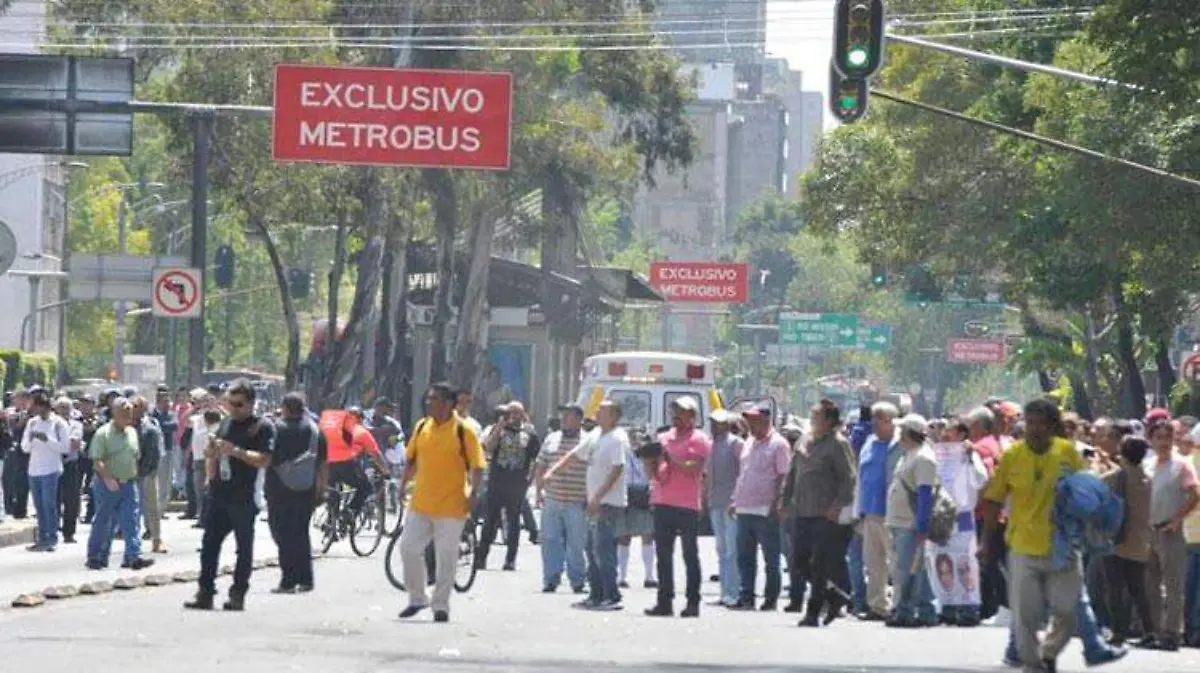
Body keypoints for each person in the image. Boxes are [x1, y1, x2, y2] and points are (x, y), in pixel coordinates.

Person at [980, 399, 1087, 673]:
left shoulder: (1068, 453)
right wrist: (985, 542)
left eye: (1041, 423)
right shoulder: (1013, 455)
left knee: (1066, 612)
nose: (1035, 429)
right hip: (1023, 546)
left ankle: (1048, 652)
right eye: (1030, 423)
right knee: (1026, 615)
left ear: (1053, 426)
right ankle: (1033, 665)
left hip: (1062, 546)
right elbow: (994, 499)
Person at [398, 382, 486, 623]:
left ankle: (441, 605)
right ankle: (417, 598)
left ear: (448, 404)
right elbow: (411, 460)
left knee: (446, 557)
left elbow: (478, 465)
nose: (429, 403)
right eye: (428, 399)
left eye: (434, 399)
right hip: (421, 502)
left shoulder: (463, 430)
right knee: (408, 549)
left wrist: (474, 494)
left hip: (452, 505)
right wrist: (403, 484)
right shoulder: (421, 427)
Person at [185, 379, 274, 612]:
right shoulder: (226, 424)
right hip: (219, 493)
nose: (234, 408)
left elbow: (265, 459)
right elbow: (212, 453)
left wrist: (236, 451)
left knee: (243, 548)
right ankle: (205, 592)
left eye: (239, 404)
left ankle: (238, 593)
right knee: (209, 545)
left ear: (251, 403)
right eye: (230, 403)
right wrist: (211, 453)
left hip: (244, 496)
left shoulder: (262, 427)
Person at [785, 399, 856, 627]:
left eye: (817, 416)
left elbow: (849, 479)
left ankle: (813, 612)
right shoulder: (805, 441)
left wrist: (837, 506)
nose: (813, 420)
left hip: (825, 514)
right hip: (802, 510)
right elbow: (792, 472)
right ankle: (834, 595)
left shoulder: (838, 444)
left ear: (829, 420)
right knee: (798, 561)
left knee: (819, 564)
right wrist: (784, 500)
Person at [645, 397, 711, 618]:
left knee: (689, 555)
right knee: (663, 556)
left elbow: (694, 469)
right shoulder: (664, 437)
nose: (676, 416)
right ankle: (664, 601)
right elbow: (655, 472)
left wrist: (670, 457)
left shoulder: (699, 439)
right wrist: (650, 461)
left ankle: (693, 602)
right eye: (674, 411)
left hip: (687, 505)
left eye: (682, 412)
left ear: (692, 416)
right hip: (663, 501)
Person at [1143, 416, 1200, 650]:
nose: (1164, 441)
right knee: (1150, 584)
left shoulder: (1182, 465)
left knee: (1173, 585)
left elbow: (1195, 495)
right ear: (1151, 440)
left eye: (1168, 437)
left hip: (1171, 531)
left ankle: (1172, 634)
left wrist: (1177, 520)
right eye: (1159, 437)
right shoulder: (1148, 465)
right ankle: (1155, 631)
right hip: (1149, 532)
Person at [730, 404, 791, 611]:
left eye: (754, 420)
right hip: (744, 507)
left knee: (770, 558)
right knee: (745, 557)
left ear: (766, 420)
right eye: (749, 420)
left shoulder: (779, 444)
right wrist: (734, 500)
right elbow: (743, 474)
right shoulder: (748, 442)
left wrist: (777, 504)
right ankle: (746, 596)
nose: (751, 424)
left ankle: (770, 598)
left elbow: (783, 476)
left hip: (766, 508)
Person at [266, 392, 327, 594]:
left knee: (282, 534)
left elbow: (267, 458)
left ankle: (288, 580)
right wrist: (322, 489)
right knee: (301, 533)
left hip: (279, 490)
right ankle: (306, 579)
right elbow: (323, 464)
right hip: (306, 489)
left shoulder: (276, 429)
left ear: (285, 408)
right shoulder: (315, 431)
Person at [85, 397, 154, 570]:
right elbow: (97, 460)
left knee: (131, 520)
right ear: (114, 413)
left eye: (129, 414)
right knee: (105, 521)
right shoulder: (103, 433)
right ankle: (97, 556)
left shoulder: (132, 432)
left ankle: (133, 556)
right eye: (123, 414)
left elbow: (134, 455)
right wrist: (108, 478)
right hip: (107, 484)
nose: (127, 417)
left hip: (129, 483)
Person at [1101, 435, 1154, 647]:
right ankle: (1149, 630)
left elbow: (1097, 487)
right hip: (1140, 541)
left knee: (1114, 589)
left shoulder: (1115, 477)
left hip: (1116, 540)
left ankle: (1118, 631)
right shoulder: (1147, 480)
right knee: (1137, 588)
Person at [576, 400, 627, 610]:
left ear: (614, 416)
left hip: (608, 503)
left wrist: (598, 496)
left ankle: (611, 595)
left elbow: (618, 468)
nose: (597, 412)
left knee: (604, 549)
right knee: (591, 547)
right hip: (592, 501)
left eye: (603, 410)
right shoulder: (596, 434)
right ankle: (596, 593)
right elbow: (579, 454)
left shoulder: (617, 438)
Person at [535, 404, 592, 594]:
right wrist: (538, 491)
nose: (564, 419)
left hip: (577, 501)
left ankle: (577, 580)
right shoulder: (552, 438)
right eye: (563, 416)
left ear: (578, 419)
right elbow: (541, 464)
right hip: (552, 498)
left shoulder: (587, 440)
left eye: (568, 416)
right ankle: (551, 579)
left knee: (576, 543)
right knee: (550, 540)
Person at [477, 401, 540, 571]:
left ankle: (510, 559)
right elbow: (488, 448)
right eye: (510, 412)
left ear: (523, 414)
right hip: (497, 482)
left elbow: (536, 459)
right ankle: (481, 557)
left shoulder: (529, 433)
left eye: (517, 413)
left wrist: (530, 480)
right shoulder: (498, 429)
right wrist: (499, 426)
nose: (513, 416)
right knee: (489, 521)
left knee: (513, 522)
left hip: (517, 483)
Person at [22, 392, 71, 551]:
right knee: (39, 506)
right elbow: (25, 448)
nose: (39, 411)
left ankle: (52, 538)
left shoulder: (59, 423)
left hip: (51, 469)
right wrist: (30, 439)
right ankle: (41, 538)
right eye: (37, 407)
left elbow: (65, 447)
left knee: (49, 504)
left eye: (42, 407)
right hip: (34, 470)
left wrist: (47, 440)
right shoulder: (31, 423)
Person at [323, 407, 388, 524]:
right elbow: (375, 454)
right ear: (360, 419)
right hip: (346, 464)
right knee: (365, 488)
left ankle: (331, 521)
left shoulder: (334, 428)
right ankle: (349, 511)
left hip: (327, 464)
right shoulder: (361, 431)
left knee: (334, 490)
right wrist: (385, 471)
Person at [706, 408, 744, 607]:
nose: (714, 425)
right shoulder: (710, 445)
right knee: (721, 549)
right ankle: (724, 592)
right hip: (715, 503)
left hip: (731, 504)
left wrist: (736, 499)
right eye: (712, 421)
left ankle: (734, 592)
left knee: (732, 550)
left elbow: (743, 473)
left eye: (718, 422)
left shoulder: (736, 443)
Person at [132, 396, 168, 554]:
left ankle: (156, 539)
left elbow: (155, 455)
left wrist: (143, 472)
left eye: (139, 407)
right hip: (128, 472)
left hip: (147, 473)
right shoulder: (125, 426)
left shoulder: (150, 428)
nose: (135, 411)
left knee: (151, 508)